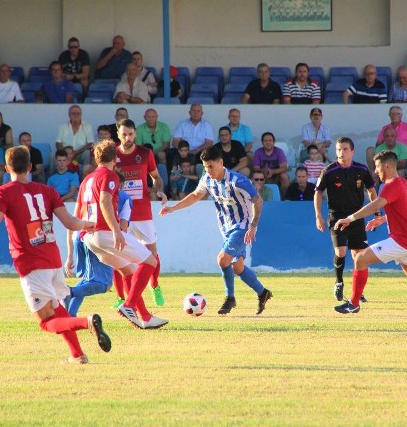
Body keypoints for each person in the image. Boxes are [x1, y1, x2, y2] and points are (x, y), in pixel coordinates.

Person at [0, 146, 111, 364]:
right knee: (57, 309)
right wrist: (89, 224)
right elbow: (70, 223)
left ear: (7, 168)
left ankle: (87, 322)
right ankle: (78, 355)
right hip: (53, 260)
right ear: (30, 167)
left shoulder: (3, 192)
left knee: (45, 321)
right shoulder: (48, 191)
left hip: (30, 263)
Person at [333, 150, 407, 316]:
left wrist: (350, 218)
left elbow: (375, 206)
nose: (375, 171)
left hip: (402, 241)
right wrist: (383, 220)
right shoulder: (402, 182)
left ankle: (353, 304)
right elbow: (403, 211)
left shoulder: (391, 186)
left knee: (360, 259)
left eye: (377, 167)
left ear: (387, 166)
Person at [160, 146, 273, 315]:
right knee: (237, 267)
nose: (208, 170)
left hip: (242, 227)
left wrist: (253, 226)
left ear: (221, 163)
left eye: (211, 166)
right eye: (205, 167)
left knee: (222, 260)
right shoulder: (207, 179)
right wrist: (173, 208)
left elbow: (258, 201)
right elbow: (196, 195)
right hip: (226, 228)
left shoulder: (238, 181)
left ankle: (230, 298)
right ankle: (263, 292)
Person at [80, 139, 167, 329]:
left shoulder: (87, 179)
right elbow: (104, 202)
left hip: (89, 237)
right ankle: (128, 305)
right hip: (105, 232)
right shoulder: (110, 175)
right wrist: (115, 231)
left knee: (127, 270)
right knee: (150, 261)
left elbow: (79, 212)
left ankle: (144, 317)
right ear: (115, 157)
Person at [314, 137, 376, 304]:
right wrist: (318, 215)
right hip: (337, 217)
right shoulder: (329, 171)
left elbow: (371, 190)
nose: (342, 153)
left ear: (352, 151)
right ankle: (339, 282)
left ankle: (358, 291)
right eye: (339, 150)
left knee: (359, 257)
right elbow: (318, 192)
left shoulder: (361, 170)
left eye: (345, 149)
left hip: (357, 217)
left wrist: (376, 212)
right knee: (341, 252)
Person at [115, 119, 168, 307]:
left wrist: (159, 190)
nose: (127, 138)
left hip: (143, 212)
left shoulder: (145, 154)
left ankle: (155, 286)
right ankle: (121, 298)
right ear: (118, 134)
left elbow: (156, 177)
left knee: (152, 253)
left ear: (135, 133)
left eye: (130, 134)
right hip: (120, 214)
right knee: (118, 255)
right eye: (123, 134)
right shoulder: (112, 155)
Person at [64, 173, 132, 317]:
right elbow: (123, 227)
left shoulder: (88, 189)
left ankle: (70, 315)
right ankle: (67, 292)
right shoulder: (124, 198)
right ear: (120, 185)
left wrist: (70, 255)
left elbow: (73, 220)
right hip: (97, 239)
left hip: (81, 237)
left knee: (87, 280)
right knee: (104, 285)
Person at [252, 131, 290, 197]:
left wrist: (272, 172)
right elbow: (256, 168)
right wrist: (264, 172)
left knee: (284, 176)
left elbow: (284, 167)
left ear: (274, 142)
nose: (268, 142)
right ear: (262, 143)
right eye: (266, 141)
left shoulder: (279, 151)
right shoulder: (258, 152)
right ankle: (257, 199)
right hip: (262, 175)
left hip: (276, 176)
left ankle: (285, 198)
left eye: (270, 140)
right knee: (255, 177)